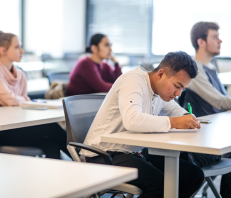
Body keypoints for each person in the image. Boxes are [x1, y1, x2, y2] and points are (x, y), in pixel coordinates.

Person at [80, 51, 204, 198]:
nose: (178, 94)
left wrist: (187, 118)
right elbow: (132, 120)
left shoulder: (161, 92)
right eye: (177, 86)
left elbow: (175, 109)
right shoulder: (133, 80)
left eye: (183, 89)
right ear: (161, 74)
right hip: (103, 155)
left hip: (135, 152)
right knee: (161, 186)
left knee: (193, 176)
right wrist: (174, 122)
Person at [0, 30, 70, 159]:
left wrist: (21, 100)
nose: (22, 51)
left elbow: (21, 102)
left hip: (19, 125)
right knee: (51, 128)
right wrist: (23, 100)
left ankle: (53, 177)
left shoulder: (20, 73)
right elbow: (9, 99)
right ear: (3, 50)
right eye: (17, 47)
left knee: (51, 144)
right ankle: (84, 158)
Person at [186, 22, 230, 197]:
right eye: (214, 36)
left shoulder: (210, 69)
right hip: (205, 139)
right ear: (201, 42)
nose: (220, 40)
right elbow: (220, 102)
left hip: (216, 133)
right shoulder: (195, 69)